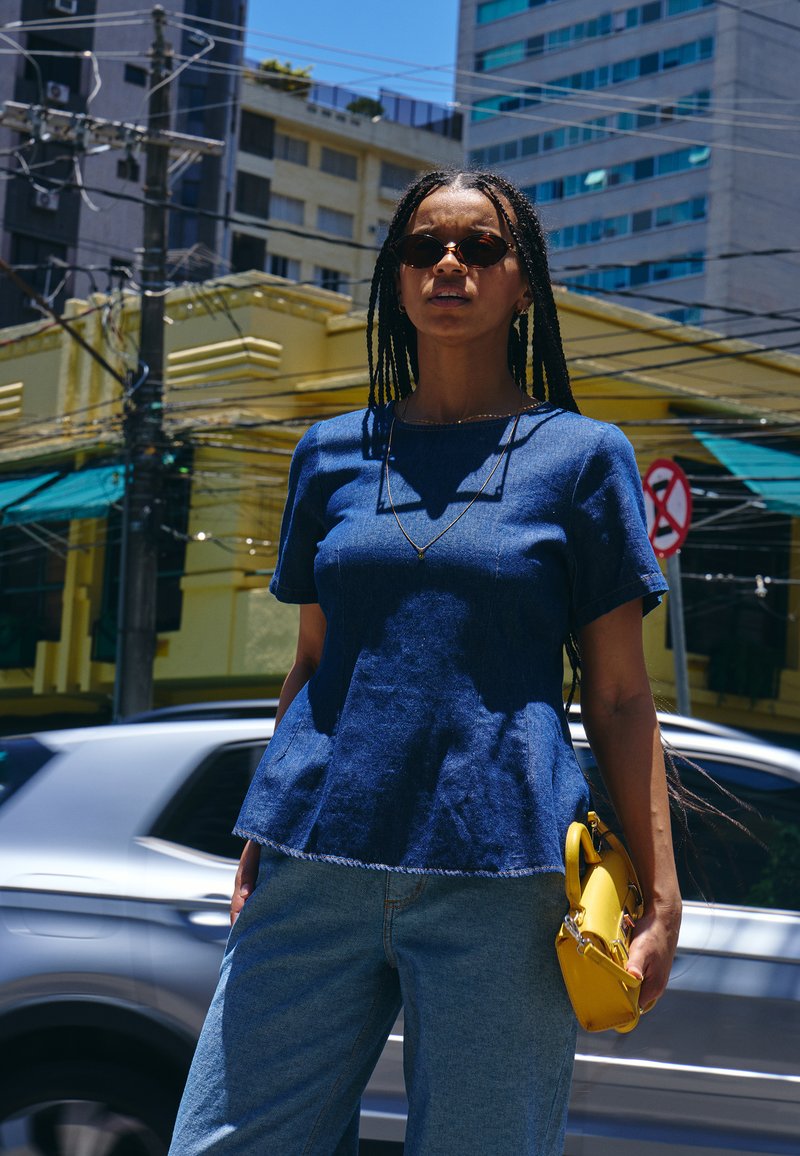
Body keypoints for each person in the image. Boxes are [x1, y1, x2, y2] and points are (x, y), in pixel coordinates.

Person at [168, 169, 681, 1156]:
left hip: (502, 875)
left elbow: (619, 697)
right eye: (423, 247)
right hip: (313, 860)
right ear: (396, 280)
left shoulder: (583, 458)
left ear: (521, 283)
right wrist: (256, 838)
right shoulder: (328, 456)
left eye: (479, 247)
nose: (449, 263)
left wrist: (659, 895)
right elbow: (313, 662)